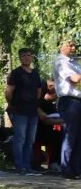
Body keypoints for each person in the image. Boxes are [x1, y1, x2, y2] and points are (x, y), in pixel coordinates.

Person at [5, 48, 45, 175]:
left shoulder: (35, 74)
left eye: (29, 55)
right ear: (20, 58)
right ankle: (19, 166)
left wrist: (33, 102)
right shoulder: (16, 73)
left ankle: (28, 166)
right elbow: (9, 91)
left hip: (32, 111)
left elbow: (39, 91)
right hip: (19, 111)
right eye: (24, 55)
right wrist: (12, 104)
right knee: (20, 139)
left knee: (30, 140)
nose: (27, 57)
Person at [52, 37, 81, 180]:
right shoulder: (61, 62)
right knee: (70, 135)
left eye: (74, 45)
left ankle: (76, 169)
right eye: (70, 45)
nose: (73, 48)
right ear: (61, 46)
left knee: (79, 136)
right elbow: (75, 79)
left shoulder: (74, 63)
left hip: (78, 101)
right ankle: (66, 168)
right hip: (69, 101)